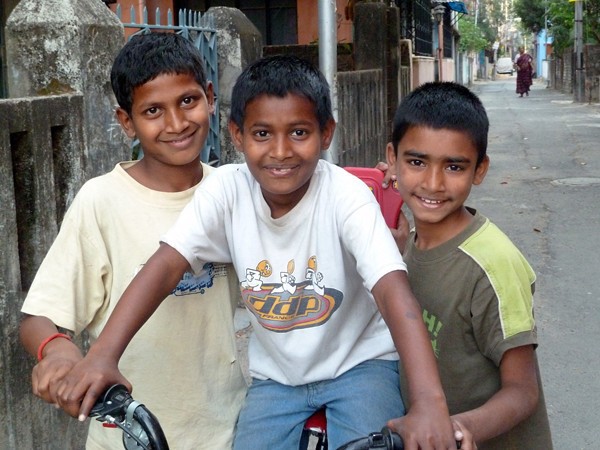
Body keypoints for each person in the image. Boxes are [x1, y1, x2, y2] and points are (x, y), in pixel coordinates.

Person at [52, 54, 457, 450]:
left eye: (299, 133)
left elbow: (392, 291)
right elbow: (165, 266)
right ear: (237, 135)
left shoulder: (347, 197)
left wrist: (429, 403)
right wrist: (102, 356)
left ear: (326, 133)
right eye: (262, 134)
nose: (280, 151)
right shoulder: (225, 190)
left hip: (360, 365)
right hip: (275, 378)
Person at [19, 33, 247, 450]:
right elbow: (38, 318)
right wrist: (57, 351)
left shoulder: (233, 193)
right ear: (127, 121)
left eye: (188, 101)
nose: (176, 123)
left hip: (227, 430)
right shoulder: (101, 201)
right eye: (153, 110)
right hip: (127, 433)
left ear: (211, 97)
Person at [384, 81, 553, 449]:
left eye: (454, 167)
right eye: (416, 162)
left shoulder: (494, 265)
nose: (433, 183)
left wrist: (457, 427)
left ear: (479, 169)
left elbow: (523, 391)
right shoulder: (409, 243)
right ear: (392, 159)